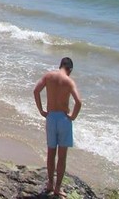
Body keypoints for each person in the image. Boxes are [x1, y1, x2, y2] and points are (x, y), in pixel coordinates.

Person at [34, 57, 82, 197]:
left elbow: (36, 91)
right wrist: (72, 116)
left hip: (51, 117)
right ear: (70, 69)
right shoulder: (69, 81)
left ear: (60, 65)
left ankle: (49, 183)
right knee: (62, 156)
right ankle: (57, 188)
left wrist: (41, 111)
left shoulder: (49, 76)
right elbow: (78, 101)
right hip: (63, 119)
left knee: (51, 153)